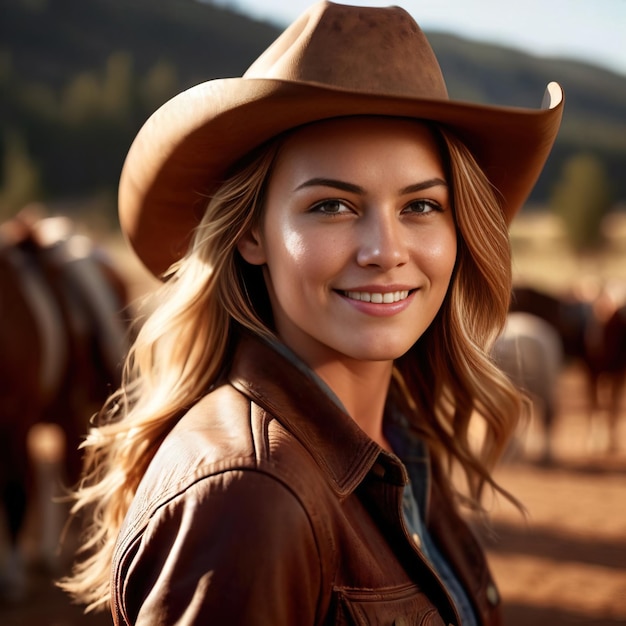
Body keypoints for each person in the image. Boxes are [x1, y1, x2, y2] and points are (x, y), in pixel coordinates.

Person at [60, 2, 563, 624]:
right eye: (331, 206)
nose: (385, 252)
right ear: (251, 234)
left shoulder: (399, 445)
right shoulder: (250, 497)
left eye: (421, 206)